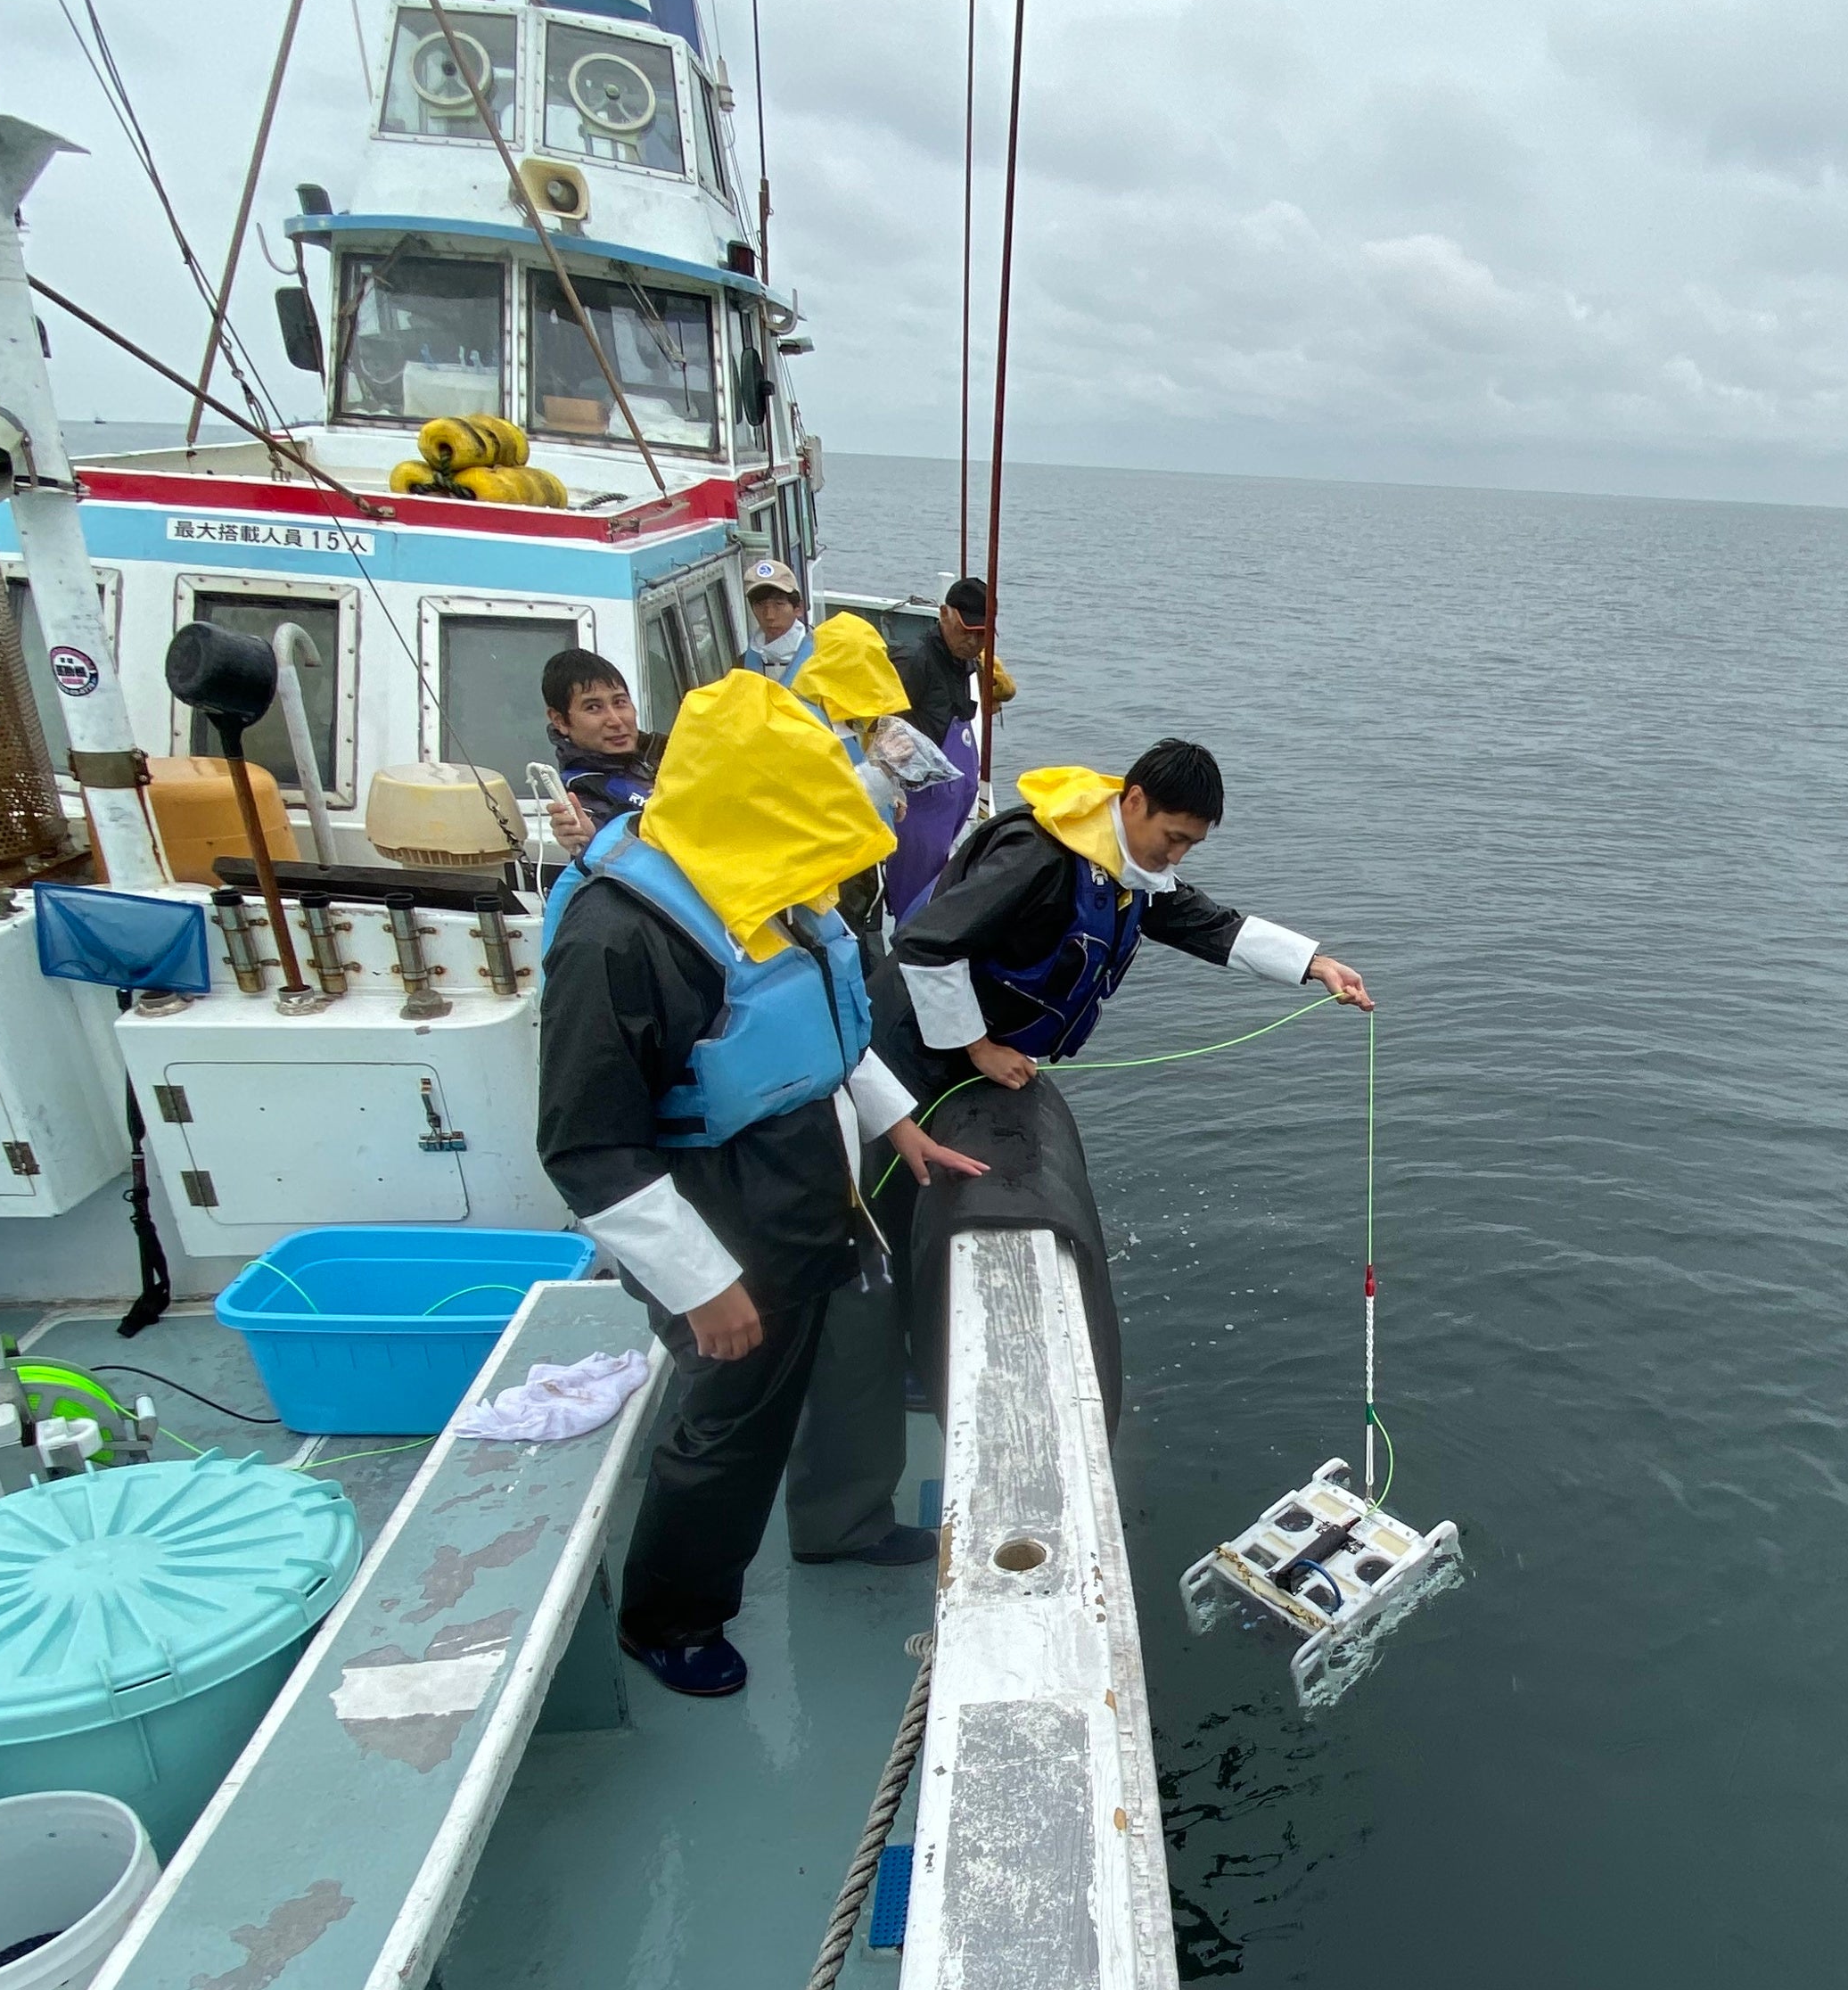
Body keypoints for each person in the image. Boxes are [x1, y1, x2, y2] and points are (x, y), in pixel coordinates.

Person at [536, 666, 986, 1698]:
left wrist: (896, 1122)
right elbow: (585, 1146)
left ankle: (842, 1524)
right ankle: (673, 1616)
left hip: (817, 1190)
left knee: (847, 1368)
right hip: (714, 1216)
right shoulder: (617, 938)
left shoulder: (773, 892)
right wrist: (701, 1283)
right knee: (731, 1425)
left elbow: (818, 1028)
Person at [878, 736, 1372, 1109]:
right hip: (915, 1041)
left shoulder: (1130, 870)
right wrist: (979, 1048)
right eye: (1172, 837)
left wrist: (1315, 964)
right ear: (1134, 801)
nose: (1176, 856)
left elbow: (1207, 924)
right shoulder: (1037, 857)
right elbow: (926, 946)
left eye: (1190, 845)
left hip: (978, 1047)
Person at [875, 577, 1016, 925]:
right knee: (911, 900)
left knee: (936, 888)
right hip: (918, 807)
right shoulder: (914, 661)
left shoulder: (966, 662)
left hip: (948, 810)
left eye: (983, 634)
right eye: (967, 630)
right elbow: (883, 732)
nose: (973, 641)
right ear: (944, 615)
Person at [540, 647, 660, 851]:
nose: (615, 720)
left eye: (620, 702)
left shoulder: (663, 751)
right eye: (593, 707)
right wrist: (591, 842)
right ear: (559, 720)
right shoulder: (581, 795)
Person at [741, 557, 811, 684]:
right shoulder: (742, 664)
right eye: (760, 604)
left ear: (799, 608)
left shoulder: (821, 655)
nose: (769, 615)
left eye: (779, 604)